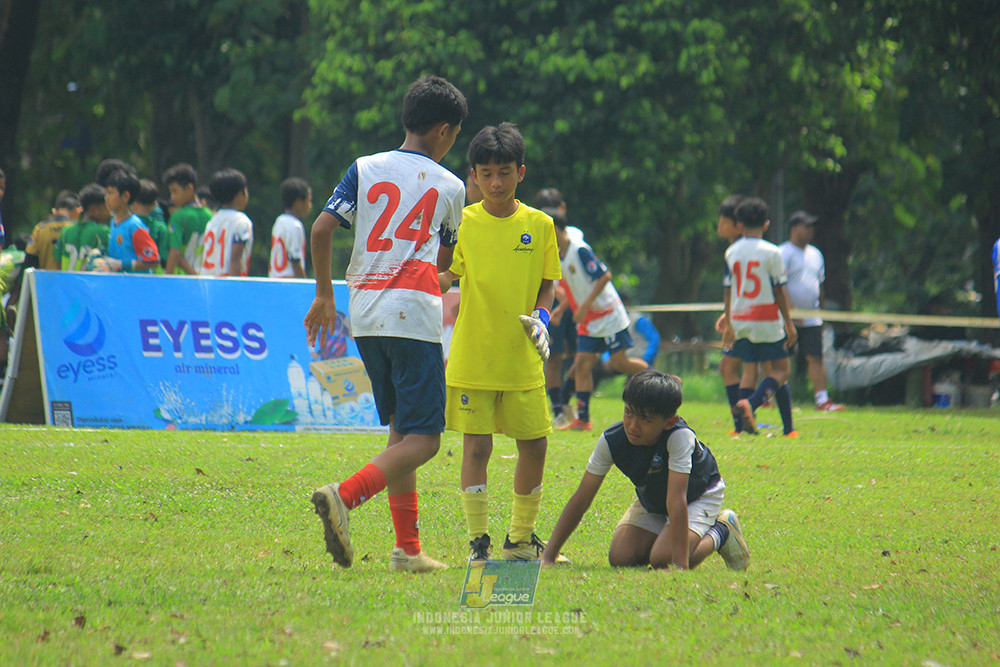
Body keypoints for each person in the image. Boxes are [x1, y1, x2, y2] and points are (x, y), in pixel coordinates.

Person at [304, 74, 468, 574]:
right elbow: (443, 264)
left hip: (366, 314)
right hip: (413, 315)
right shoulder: (451, 186)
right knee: (427, 439)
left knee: (402, 430)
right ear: (444, 131)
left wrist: (325, 294)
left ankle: (408, 549)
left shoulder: (364, 167)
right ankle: (345, 495)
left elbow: (322, 228)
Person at [438, 123, 567, 563]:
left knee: (535, 444)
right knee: (477, 447)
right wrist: (424, 278)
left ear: (521, 173)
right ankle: (479, 543)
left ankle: (520, 540)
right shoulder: (462, 222)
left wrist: (542, 319)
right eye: (487, 173)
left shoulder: (540, 225)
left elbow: (548, 285)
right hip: (474, 355)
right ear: (473, 176)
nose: (495, 182)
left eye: (505, 172)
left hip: (521, 358)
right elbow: (447, 273)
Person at [541, 369, 749, 571]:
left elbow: (677, 498)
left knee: (663, 559)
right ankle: (667, 538)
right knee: (621, 557)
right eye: (629, 413)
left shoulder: (679, 437)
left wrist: (679, 566)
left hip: (697, 495)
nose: (633, 426)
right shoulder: (612, 440)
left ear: (669, 422)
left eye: (645, 419)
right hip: (655, 499)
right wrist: (549, 556)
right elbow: (582, 498)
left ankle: (722, 530)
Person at [553, 208, 647, 432]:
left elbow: (605, 276)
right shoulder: (558, 255)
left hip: (608, 315)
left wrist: (585, 306)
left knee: (620, 363)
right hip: (590, 320)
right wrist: (562, 310)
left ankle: (663, 379)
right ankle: (583, 420)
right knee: (582, 364)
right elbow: (573, 288)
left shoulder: (579, 250)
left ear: (555, 229)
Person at [720, 197, 798, 437]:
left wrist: (729, 322)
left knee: (747, 368)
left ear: (739, 224)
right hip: (766, 320)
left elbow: (728, 290)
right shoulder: (773, 252)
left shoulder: (731, 252)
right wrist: (789, 323)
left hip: (740, 320)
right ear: (766, 224)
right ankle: (751, 405)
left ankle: (741, 425)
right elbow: (779, 290)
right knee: (781, 370)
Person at [780, 211, 844, 412]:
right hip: (787, 317)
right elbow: (779, 285)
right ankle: (770, 397)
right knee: (780, 357)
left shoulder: (816, 254)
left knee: (815, 356)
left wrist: (821, 313)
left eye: (811, 226)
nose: (810, 230)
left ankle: (822, 399)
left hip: (812, 317)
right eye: (806, 226)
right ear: (794, 228)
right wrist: (790, 311)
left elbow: (819, 285)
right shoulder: (783, 252)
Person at [533, 188, 580, 428]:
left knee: (580, 355)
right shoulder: (535, 235)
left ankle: (565, 400)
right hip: (552, 303)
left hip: (574, 304)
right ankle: (558, 408)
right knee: (554, 358)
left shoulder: (574, 236)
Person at [102, 169, 161, 273]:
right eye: (106, 193)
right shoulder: (113, 222)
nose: (106, 198)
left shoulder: (134, 226)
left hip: (135, 283)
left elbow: (153, 260)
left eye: (110, 193)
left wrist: (121, 265)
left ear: (125, 196)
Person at [198, 168, 253, 277]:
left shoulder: (213, 220)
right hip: (226, 282)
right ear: (240, 194)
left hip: (208, 281)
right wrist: (233, 285)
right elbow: (235, 260)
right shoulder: (241, 221)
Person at [162, 163, 212, 275]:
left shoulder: (178, 216)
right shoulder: (210, 216)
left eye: (175, 191)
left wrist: (167, 279)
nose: (172, 197)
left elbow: (175, 252)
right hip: (207, 275)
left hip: (183, 278)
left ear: (190, 188)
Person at [55, 184, 111, 271]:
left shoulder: (66, 231)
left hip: (66, 279)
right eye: (105, 208)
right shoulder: (103, 232)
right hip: (87, 280)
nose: (109, 213)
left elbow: (58, 265)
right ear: (93, 210)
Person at [25, 190, 82, 271]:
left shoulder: (40, 228)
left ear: (54, 211)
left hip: (46, 278)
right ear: (77, 211)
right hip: (72, 278)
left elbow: (29, 259)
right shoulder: (79, 230)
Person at [269, 177, 311, 279]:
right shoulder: (295, 226)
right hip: (288, 282)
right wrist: (303, 285)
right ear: (298, 202)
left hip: (274, 279)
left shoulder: (279, 221)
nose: (310, 205)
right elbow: (295, 261)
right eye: (309, 200)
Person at [132, 178, 169, 273]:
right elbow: (165, 255)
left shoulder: (125, 224)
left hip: (128, 273)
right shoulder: (161, 228)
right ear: (154, 205)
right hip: (153, 275)